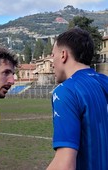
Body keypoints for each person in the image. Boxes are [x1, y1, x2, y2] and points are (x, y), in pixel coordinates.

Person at [47, 28, 108, 170]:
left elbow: (65, 164)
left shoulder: (66, 91)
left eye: (52, 55)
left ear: (63, 55)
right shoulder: (105, 81)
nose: (51, 62)